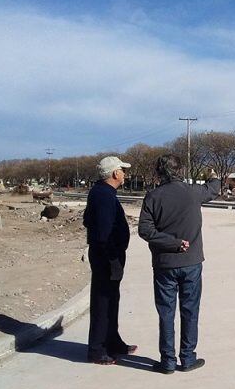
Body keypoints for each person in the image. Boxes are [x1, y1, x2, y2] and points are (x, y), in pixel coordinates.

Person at [138, 154, 220, 374]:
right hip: (191, 263)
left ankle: (167, 361)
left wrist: (171, 243)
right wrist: (212, 175)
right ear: (181, 170)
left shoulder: (153, 196)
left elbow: (145, 231)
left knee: (166, 312)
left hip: (164, 264)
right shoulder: (193, 192)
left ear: (159, 172)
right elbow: (214, 188)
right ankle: (188, 358)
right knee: (190, 310)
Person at [83, 156, 137, 365]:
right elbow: (103, 232)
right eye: (123, 170)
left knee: (112, 299)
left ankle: (112, 341)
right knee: (103, 302)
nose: (125, 174)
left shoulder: (102, 192)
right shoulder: (104, 195)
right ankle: (97, 349)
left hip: (107, 255)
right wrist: (112, 256)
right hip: (106, 256)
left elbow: (88, 219)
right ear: (115, 173)